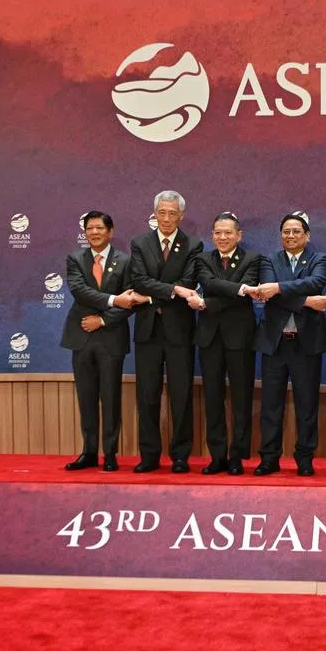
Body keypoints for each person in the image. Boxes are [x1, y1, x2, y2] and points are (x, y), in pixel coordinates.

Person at [61, 211, 146, 471]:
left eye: (99, 228)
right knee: (86, 398)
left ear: (110, 232)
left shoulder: (125, 261)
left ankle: (110, 454)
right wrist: (112, 300)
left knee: (110, 398)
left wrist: (104, 320)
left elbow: (131, 300)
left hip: (110, 336)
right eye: (89, 229)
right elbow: (79, 291)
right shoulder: (75, 259)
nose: (94, 233)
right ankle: (88, 452)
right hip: (82, 336)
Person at [250, 213, 326, 476]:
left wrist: (279, 288)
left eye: (296, 231)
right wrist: (306, 301)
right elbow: (267, 293)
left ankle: (305, 458)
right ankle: (269, 458)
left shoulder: (319, 259)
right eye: (286, 231)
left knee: (307, 404)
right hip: (275, 343)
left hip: (306, 342)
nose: (290, 236)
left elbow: (316, 283)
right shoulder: (269, 260)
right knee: (270, 405)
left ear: (307, 236)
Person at [129, 190, 203, 473]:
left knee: (181, 394)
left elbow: (189, 281)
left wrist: (152, 291)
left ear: (181, 216)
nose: (167, 218)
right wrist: (172, 289)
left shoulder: (193, 245)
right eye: (162, 212)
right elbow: (138, 279)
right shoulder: (139, 243)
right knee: (147, 395)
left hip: (179, 330)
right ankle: (149, 455)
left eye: (173, 213)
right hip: (148, 329)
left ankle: (181, 455)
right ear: (155, 214)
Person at [185, 212, 261, 476]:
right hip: (209, 337)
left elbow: (247, 291)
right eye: (218, 232)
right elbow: (208, 283)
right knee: (213, 398)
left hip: (241, 338)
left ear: (239, 235)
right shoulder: (203, 259)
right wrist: (238, 289)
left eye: (228, 232)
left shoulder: (253, 259)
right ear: (212, 235)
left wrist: (207, 303)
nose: (222, 237)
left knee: (242, 398)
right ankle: (217, 456)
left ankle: (237, 456)